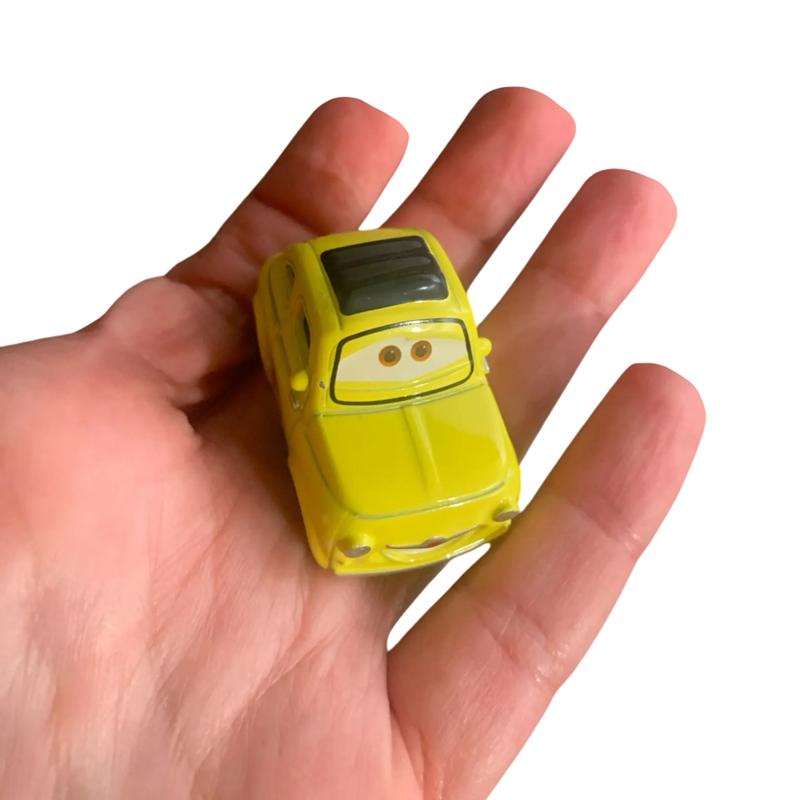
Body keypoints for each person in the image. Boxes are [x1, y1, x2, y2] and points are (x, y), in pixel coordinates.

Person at [0, 88, 704, 798]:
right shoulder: (307, 357)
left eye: (438, 348)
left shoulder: (463, 361)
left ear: (470, 347)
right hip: (341, 431)